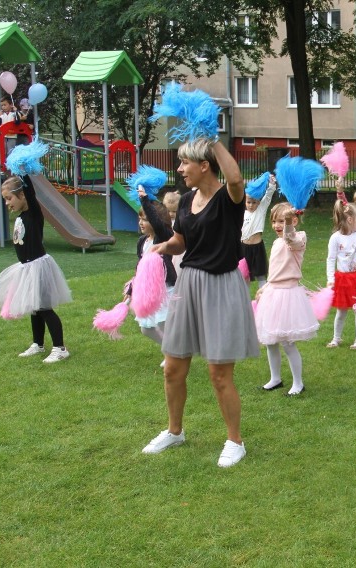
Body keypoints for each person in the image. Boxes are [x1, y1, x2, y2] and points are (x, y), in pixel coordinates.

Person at [142, 138, 258, 468]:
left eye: (185, 163)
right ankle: (174, 431)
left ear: (204, 165)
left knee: (219, 374)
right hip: (189, 283)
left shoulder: (228, 198)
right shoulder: (187, 199)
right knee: (173, 368)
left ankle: (235, 441)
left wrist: (213, 140)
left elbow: (236, 180)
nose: (179, 170)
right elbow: (182, 240)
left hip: (221, 285)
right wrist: (166, 247)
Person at [0, 176, 72, 363]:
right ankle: (38, 344)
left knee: (45, 308)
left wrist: (23, 172)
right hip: (26, 268)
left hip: (39, 266)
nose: (7, 203)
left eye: (9, 198)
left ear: (22, 195)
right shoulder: (21, 217)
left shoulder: (33, 212)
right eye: (5, 200)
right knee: (35, 308)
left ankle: (60, 348)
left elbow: (31, 192)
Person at [256, 203, 319, 396]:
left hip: (288, 296)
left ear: (293, 221)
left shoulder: (298, 238)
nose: (277, 225)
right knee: (270, 340)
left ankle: (298, 383)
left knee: (287, 341)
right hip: (273, 293)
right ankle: (275, 378)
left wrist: (289, 225)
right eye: (274, 221)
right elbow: (275, 271)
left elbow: (290, 237)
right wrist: (265, 287)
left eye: (282, 221)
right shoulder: (276, 243)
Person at [127, 186, 177, 352]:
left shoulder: (165, 237)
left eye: (145, 219)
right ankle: (171, 351)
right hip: (149, 291)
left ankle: (173, 354)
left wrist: (144, 199)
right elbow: (139, 267)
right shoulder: (142, 241)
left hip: (165, 289)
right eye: (139, 218)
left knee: (163, 323)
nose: (141, 222)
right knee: (146, 328)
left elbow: (157, 223)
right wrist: (131, 290)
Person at [326, 199, 356, 349]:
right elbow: (331, 259)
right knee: (341, 311)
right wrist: (330, 279)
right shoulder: (335, 238)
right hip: (344, 280)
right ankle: (336, 338)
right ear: (350, 219)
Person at [241, 175, 278, 288]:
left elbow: (268, 196)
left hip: (257, 248)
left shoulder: (260, 210)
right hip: (243, 248)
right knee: (244, 276)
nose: (251, 205)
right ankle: (245, 303)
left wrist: (271, 184)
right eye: (249, 202)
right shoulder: (242, 213)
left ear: (258, 202)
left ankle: (264, 300)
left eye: (254, 202)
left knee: (261, 276)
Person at [161, 190, 184, 276]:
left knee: (177, 270)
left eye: (174, 211)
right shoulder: (163, 221)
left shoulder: (180, 221)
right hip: (166, 249)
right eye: (168, 211)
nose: (171, 214)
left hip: (177, 252)